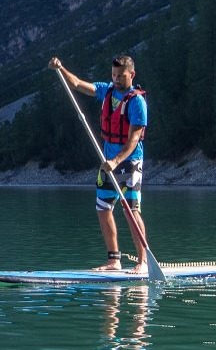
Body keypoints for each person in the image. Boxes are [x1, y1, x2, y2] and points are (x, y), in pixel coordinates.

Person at [49, 54, 151, 272]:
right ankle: (114, 260)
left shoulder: (137, 102)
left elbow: (133, 139)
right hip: (107, 164)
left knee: (131, 211)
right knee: (103, 208)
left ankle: (143, 262)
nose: (116, 79)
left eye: (121, 76)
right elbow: (76, 84)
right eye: (113, 75)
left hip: (129, 163)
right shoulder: (107, 90)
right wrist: (60, 68)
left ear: (131, 75)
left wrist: (115, 161)